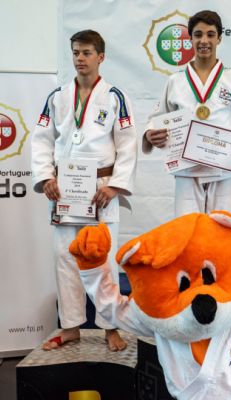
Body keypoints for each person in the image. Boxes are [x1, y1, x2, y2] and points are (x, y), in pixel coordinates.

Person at [31, 30, 137, 351]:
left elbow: (128, 144)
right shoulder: (58, 96)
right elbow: (41, 140)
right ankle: (71, 326)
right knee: (65, 257)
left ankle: (110, 328)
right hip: (64, 189)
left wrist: (116, 185)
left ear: (101, 57)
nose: (80, 58)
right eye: (76, 52)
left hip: (100, 190)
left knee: (103, 259)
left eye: (87, 52)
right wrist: (45, 177)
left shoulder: (115, 97)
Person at [143, 10, 231, 216]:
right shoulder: (175, 81)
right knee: (187, 230)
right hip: (186, 171)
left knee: (224, 229)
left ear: (219, 39)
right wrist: (150, 134)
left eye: (210, 34)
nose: (204, 40)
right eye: (198, 35)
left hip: (223, 170)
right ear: (190, 39)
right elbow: (156, 120)